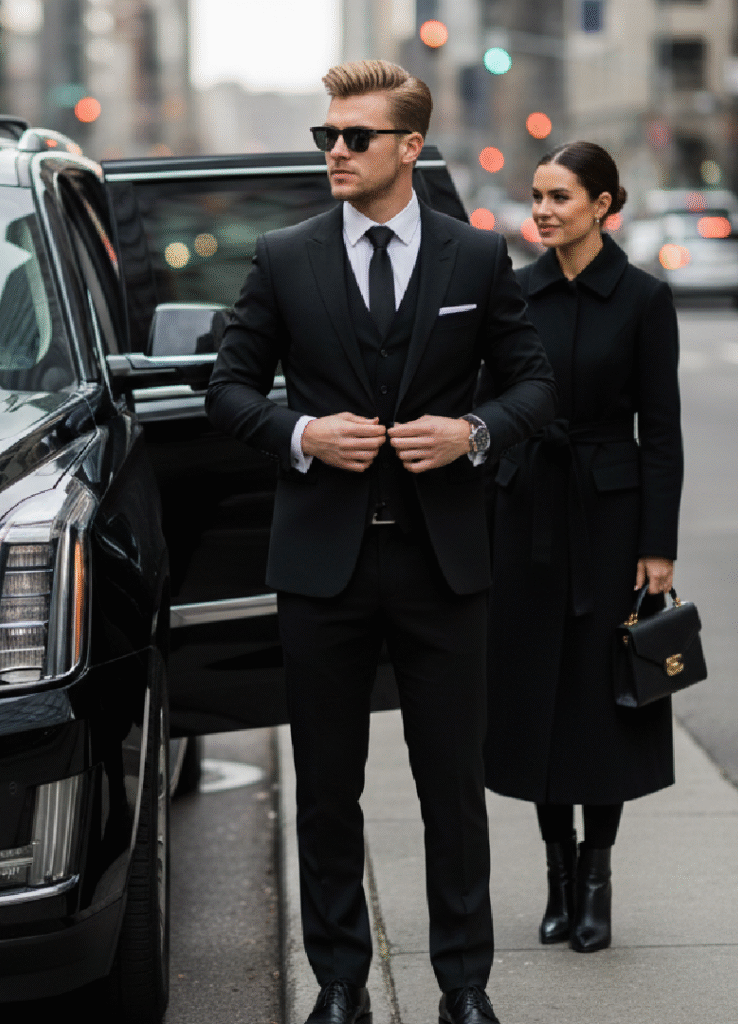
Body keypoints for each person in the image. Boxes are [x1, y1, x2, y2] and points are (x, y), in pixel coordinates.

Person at [206, 60, 557, 1024]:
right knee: (326, 789)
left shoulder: (475, 259)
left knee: (452, 788)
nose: (336, 151)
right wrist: (300, 435)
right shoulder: (284, 256)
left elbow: (534, 387)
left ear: (410, 146)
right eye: (327, 135)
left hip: (443, 565)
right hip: (324, 568)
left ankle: (465, 987)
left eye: (355, 137)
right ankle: (339, 984)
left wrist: (472, 433)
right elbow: (226, 391)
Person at [483, 141, 684, 955]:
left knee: (604, 703)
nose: (542, 210)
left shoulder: (642, 299)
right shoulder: (511, 294)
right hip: (525, 513)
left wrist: (658, 545)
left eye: (560, 196)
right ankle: (556, 874)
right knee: (535, 696)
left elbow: (661, 434)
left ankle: (597, 874)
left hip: (608, 519)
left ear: (603, 206)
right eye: (537, 195)